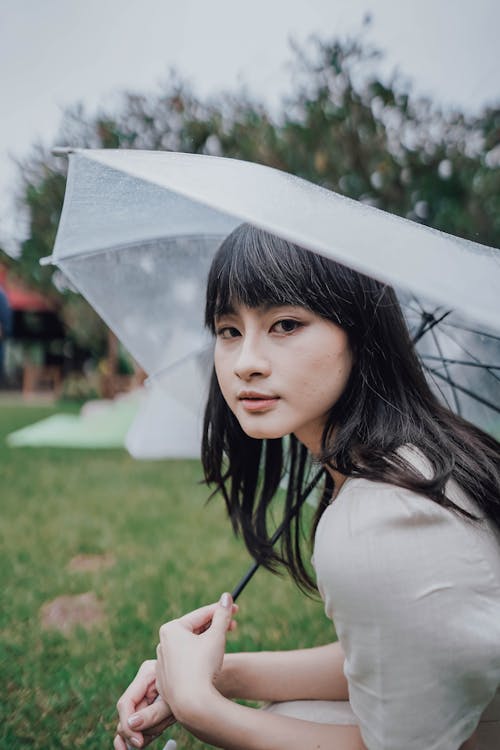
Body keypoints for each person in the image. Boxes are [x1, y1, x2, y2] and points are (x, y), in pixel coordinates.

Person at [114, 223, 500, 750]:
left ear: (359, 336)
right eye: (229, 330)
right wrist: (213, 674)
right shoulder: (403, 463)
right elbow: (386, 658)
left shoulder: (384, 521)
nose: (245, 362)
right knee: (291, 711)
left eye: (286, 324)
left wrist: (201, 708)